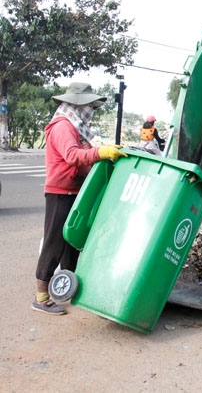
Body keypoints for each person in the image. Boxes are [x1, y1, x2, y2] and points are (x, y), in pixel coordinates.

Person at [32, 82, 128, 315]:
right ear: (76, 104)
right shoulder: (63, 126)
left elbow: (83, 154)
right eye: (89, 105)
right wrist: (100, 153)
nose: (91, 110)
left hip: (74, 190)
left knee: (71, 242)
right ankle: (41, 297)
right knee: (54, 242)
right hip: (59, 191)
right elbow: (72, 156)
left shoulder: (76, 127)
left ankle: (68, 289)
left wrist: (102, 153)